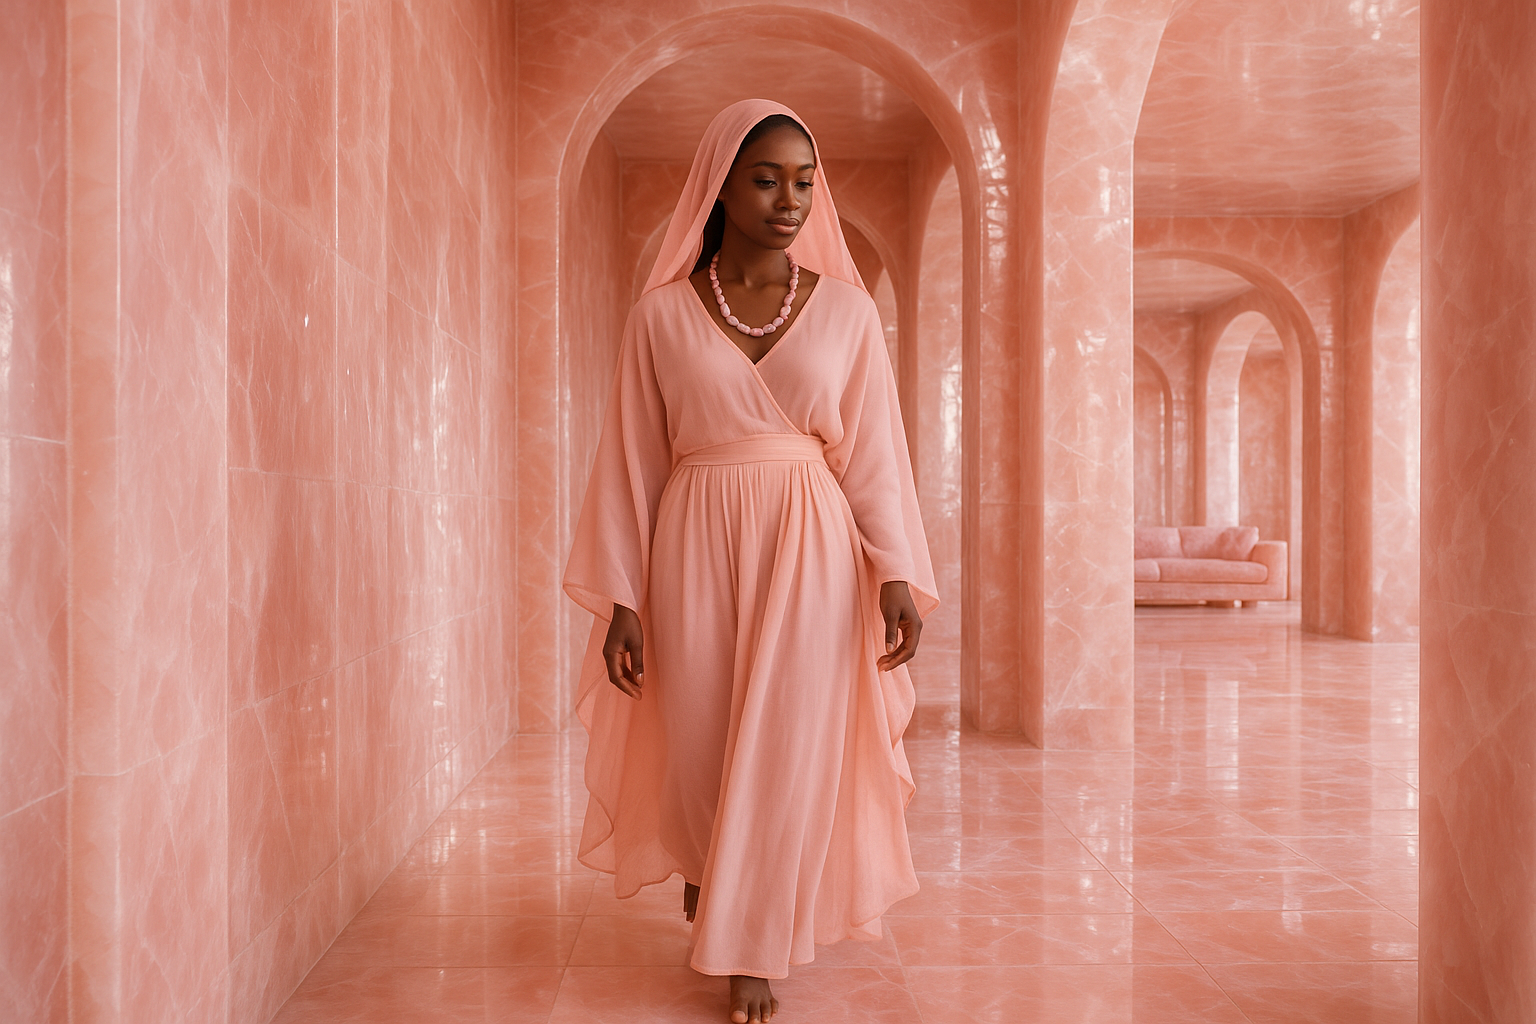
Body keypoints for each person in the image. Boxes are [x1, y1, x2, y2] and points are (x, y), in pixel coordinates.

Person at [563, 98, 937, 1024]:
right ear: (720, 185)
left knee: (790, 738)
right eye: (767, 179)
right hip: (691, 539)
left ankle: (752, 946)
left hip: (812, 542)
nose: (789, 200)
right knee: (696, 741)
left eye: (804, 182)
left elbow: (877, 453)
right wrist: (623, 598)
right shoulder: (658, 317)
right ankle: (710, 869)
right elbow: (631, 459)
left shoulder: (850, 314)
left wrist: (893, 569)